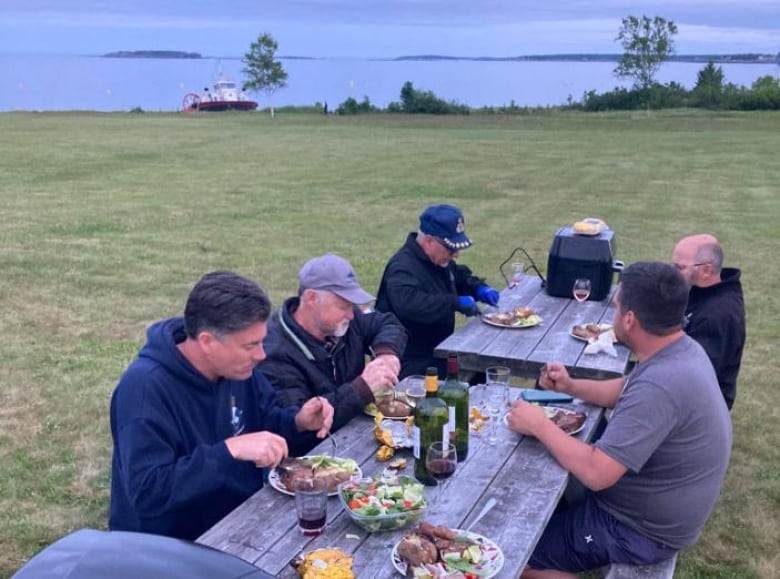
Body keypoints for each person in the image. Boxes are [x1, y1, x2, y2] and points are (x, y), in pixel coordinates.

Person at [506, 262, 732, 578]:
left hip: (638, 529)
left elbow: (597, 473)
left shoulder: (661, 384)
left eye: (616, 307)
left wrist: (538, 424)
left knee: (514, 555)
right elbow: (626, 390)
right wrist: (571, 386)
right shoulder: (680, 348)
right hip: (653, 511)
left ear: (630, 319)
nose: (613, 315)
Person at [109, 271, 334, 541]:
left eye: (262, 342)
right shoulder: (145, 390)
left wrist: (298, 422)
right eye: (250, 345)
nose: (261, 355)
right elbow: (147, 494)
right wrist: (229, 451)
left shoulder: (236, 371)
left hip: (243, 521)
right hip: (170, 546)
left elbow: (265, 421)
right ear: (207, 341)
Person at [261, 254, 407, 438]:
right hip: (318, 458)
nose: (351, 315)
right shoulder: (275, 353)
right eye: (343, 306)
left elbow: (387, 323)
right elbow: (302, 429)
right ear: (312, 298)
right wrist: (361, 390)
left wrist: (387, 353)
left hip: (359, 433)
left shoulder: (345, 321)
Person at [375, 204, 501, 377]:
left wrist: (479, 288)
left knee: (484, 369)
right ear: (428, 240)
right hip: (410, 361)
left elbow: (457, 275)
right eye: (450, 248)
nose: (455, 254)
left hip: (439, 351)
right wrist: (454, 303)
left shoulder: (438, 260)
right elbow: (411, 304)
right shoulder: (402, 268)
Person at [672, 234, 745, 409]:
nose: (672, 274)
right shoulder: (702, 292)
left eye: (679, 268)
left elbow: (694, 378)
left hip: (700, 407)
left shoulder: (717, 315)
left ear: (705, 270)